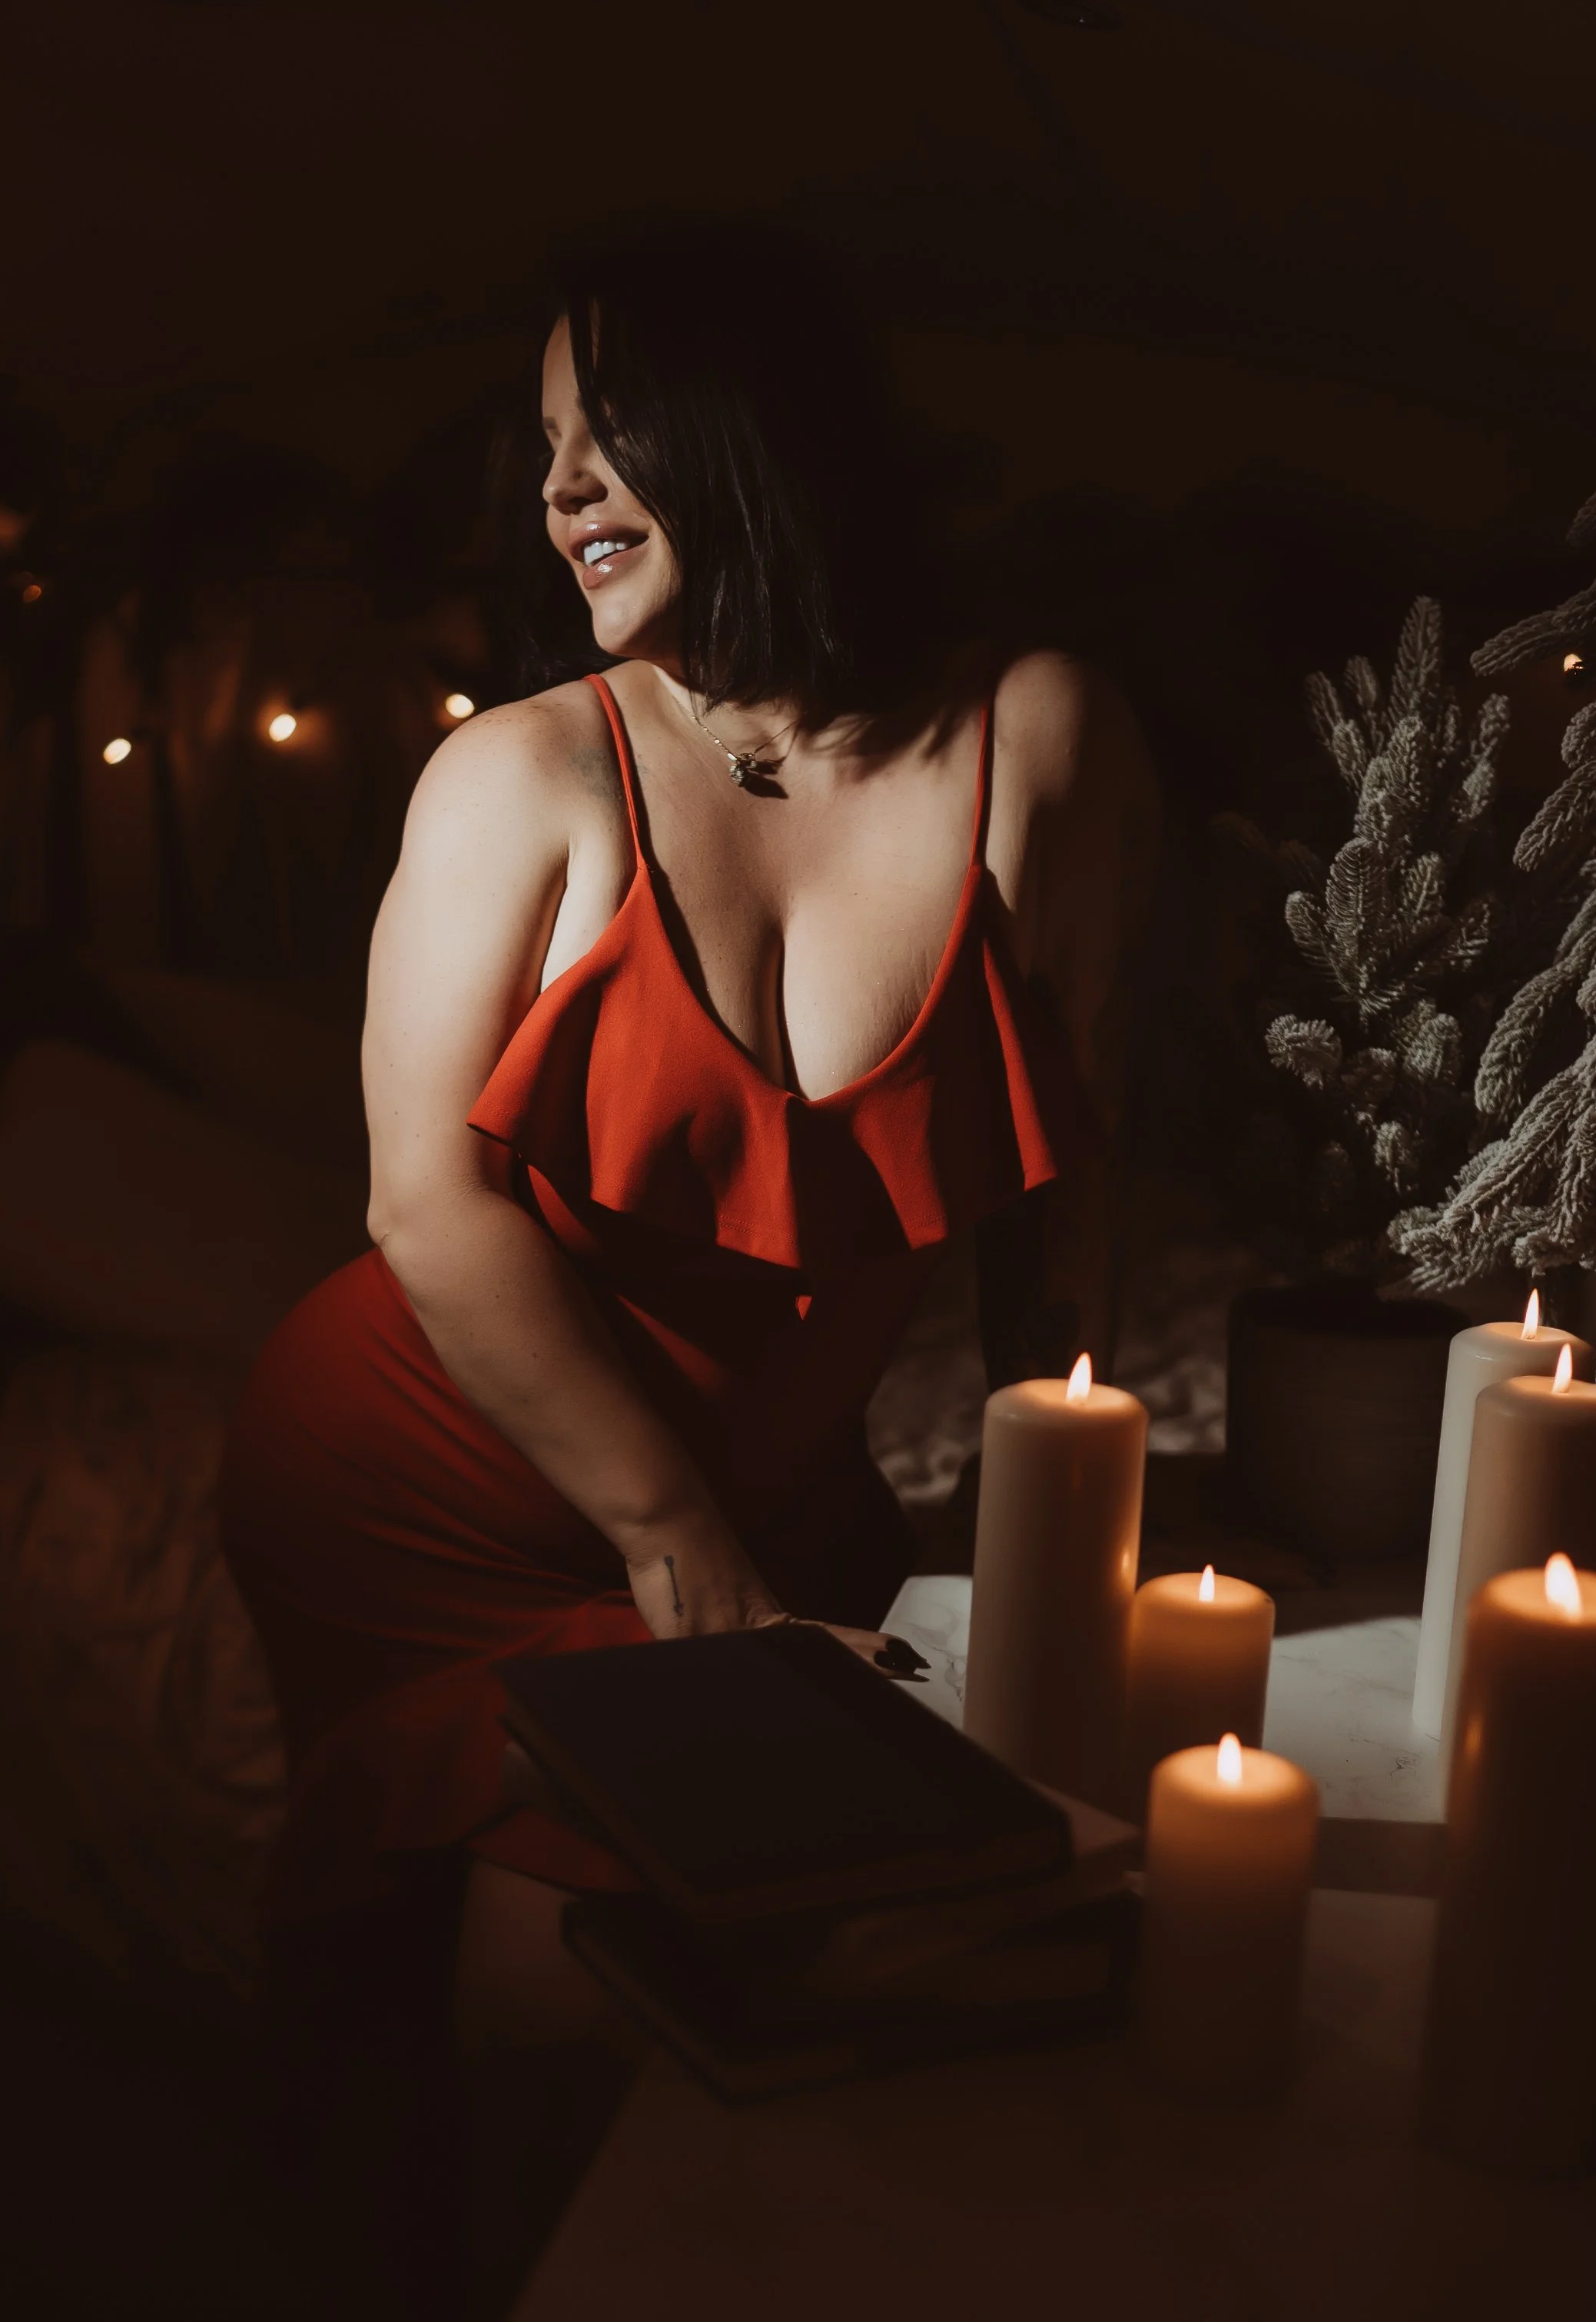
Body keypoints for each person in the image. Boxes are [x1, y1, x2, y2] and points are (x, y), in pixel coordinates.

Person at [221, 240, 1157, 2104]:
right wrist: (679, 1547)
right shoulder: (518, 778)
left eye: (607, 429)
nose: (557, 487)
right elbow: (422, 1205)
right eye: (543, 447)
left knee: (931, 1920)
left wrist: (1057, 1503)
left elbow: (1077, 1178)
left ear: (760, 426)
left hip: (765, 1502)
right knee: (551, 1975)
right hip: (424, 1505)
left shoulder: (1035, 736)